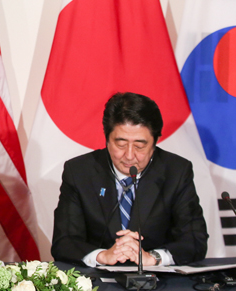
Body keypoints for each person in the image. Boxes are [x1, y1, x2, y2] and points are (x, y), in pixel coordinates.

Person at [51, 92, 208, 267]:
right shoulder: (79, 172)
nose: (130, 155)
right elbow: (64, 242)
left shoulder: (176, 171)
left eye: (140, 146)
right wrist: (102, 256)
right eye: (121, 144)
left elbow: (195, 240)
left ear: (155, 143)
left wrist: (152, 258)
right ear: (107, 140)